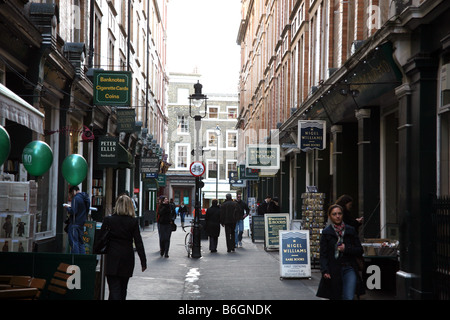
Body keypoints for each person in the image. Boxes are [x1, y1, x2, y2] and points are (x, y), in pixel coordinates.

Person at [99, 194, 147, 300]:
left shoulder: (108, 220)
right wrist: (143, 261)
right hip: (127, 257)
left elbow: (100, 239)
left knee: (114, 288)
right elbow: (138, 242)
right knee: (123, 288)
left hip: (112, 256)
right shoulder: (133, 222)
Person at [316, 204, 364, 300]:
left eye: (339, 213)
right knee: (336, 296)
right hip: (334, 269)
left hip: (349, 268)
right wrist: (325, 270)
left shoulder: (350, 230)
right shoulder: (326, 232)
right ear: (330, 216)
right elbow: (323, 254)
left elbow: (360, 250)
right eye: (334, 214)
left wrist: (346, 249)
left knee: (348, 296)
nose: (337, 216)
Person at [66, 185, 90, 254]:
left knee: (74, 244)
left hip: (74, 223)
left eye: (70, 194)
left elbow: (73, 211)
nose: (70, 196)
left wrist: (67, 208)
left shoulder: (76, 198)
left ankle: (75, 260)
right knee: (81, 243)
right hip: (81, 223)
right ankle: (82, 260)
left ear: (73, 191)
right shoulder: (86, 198)